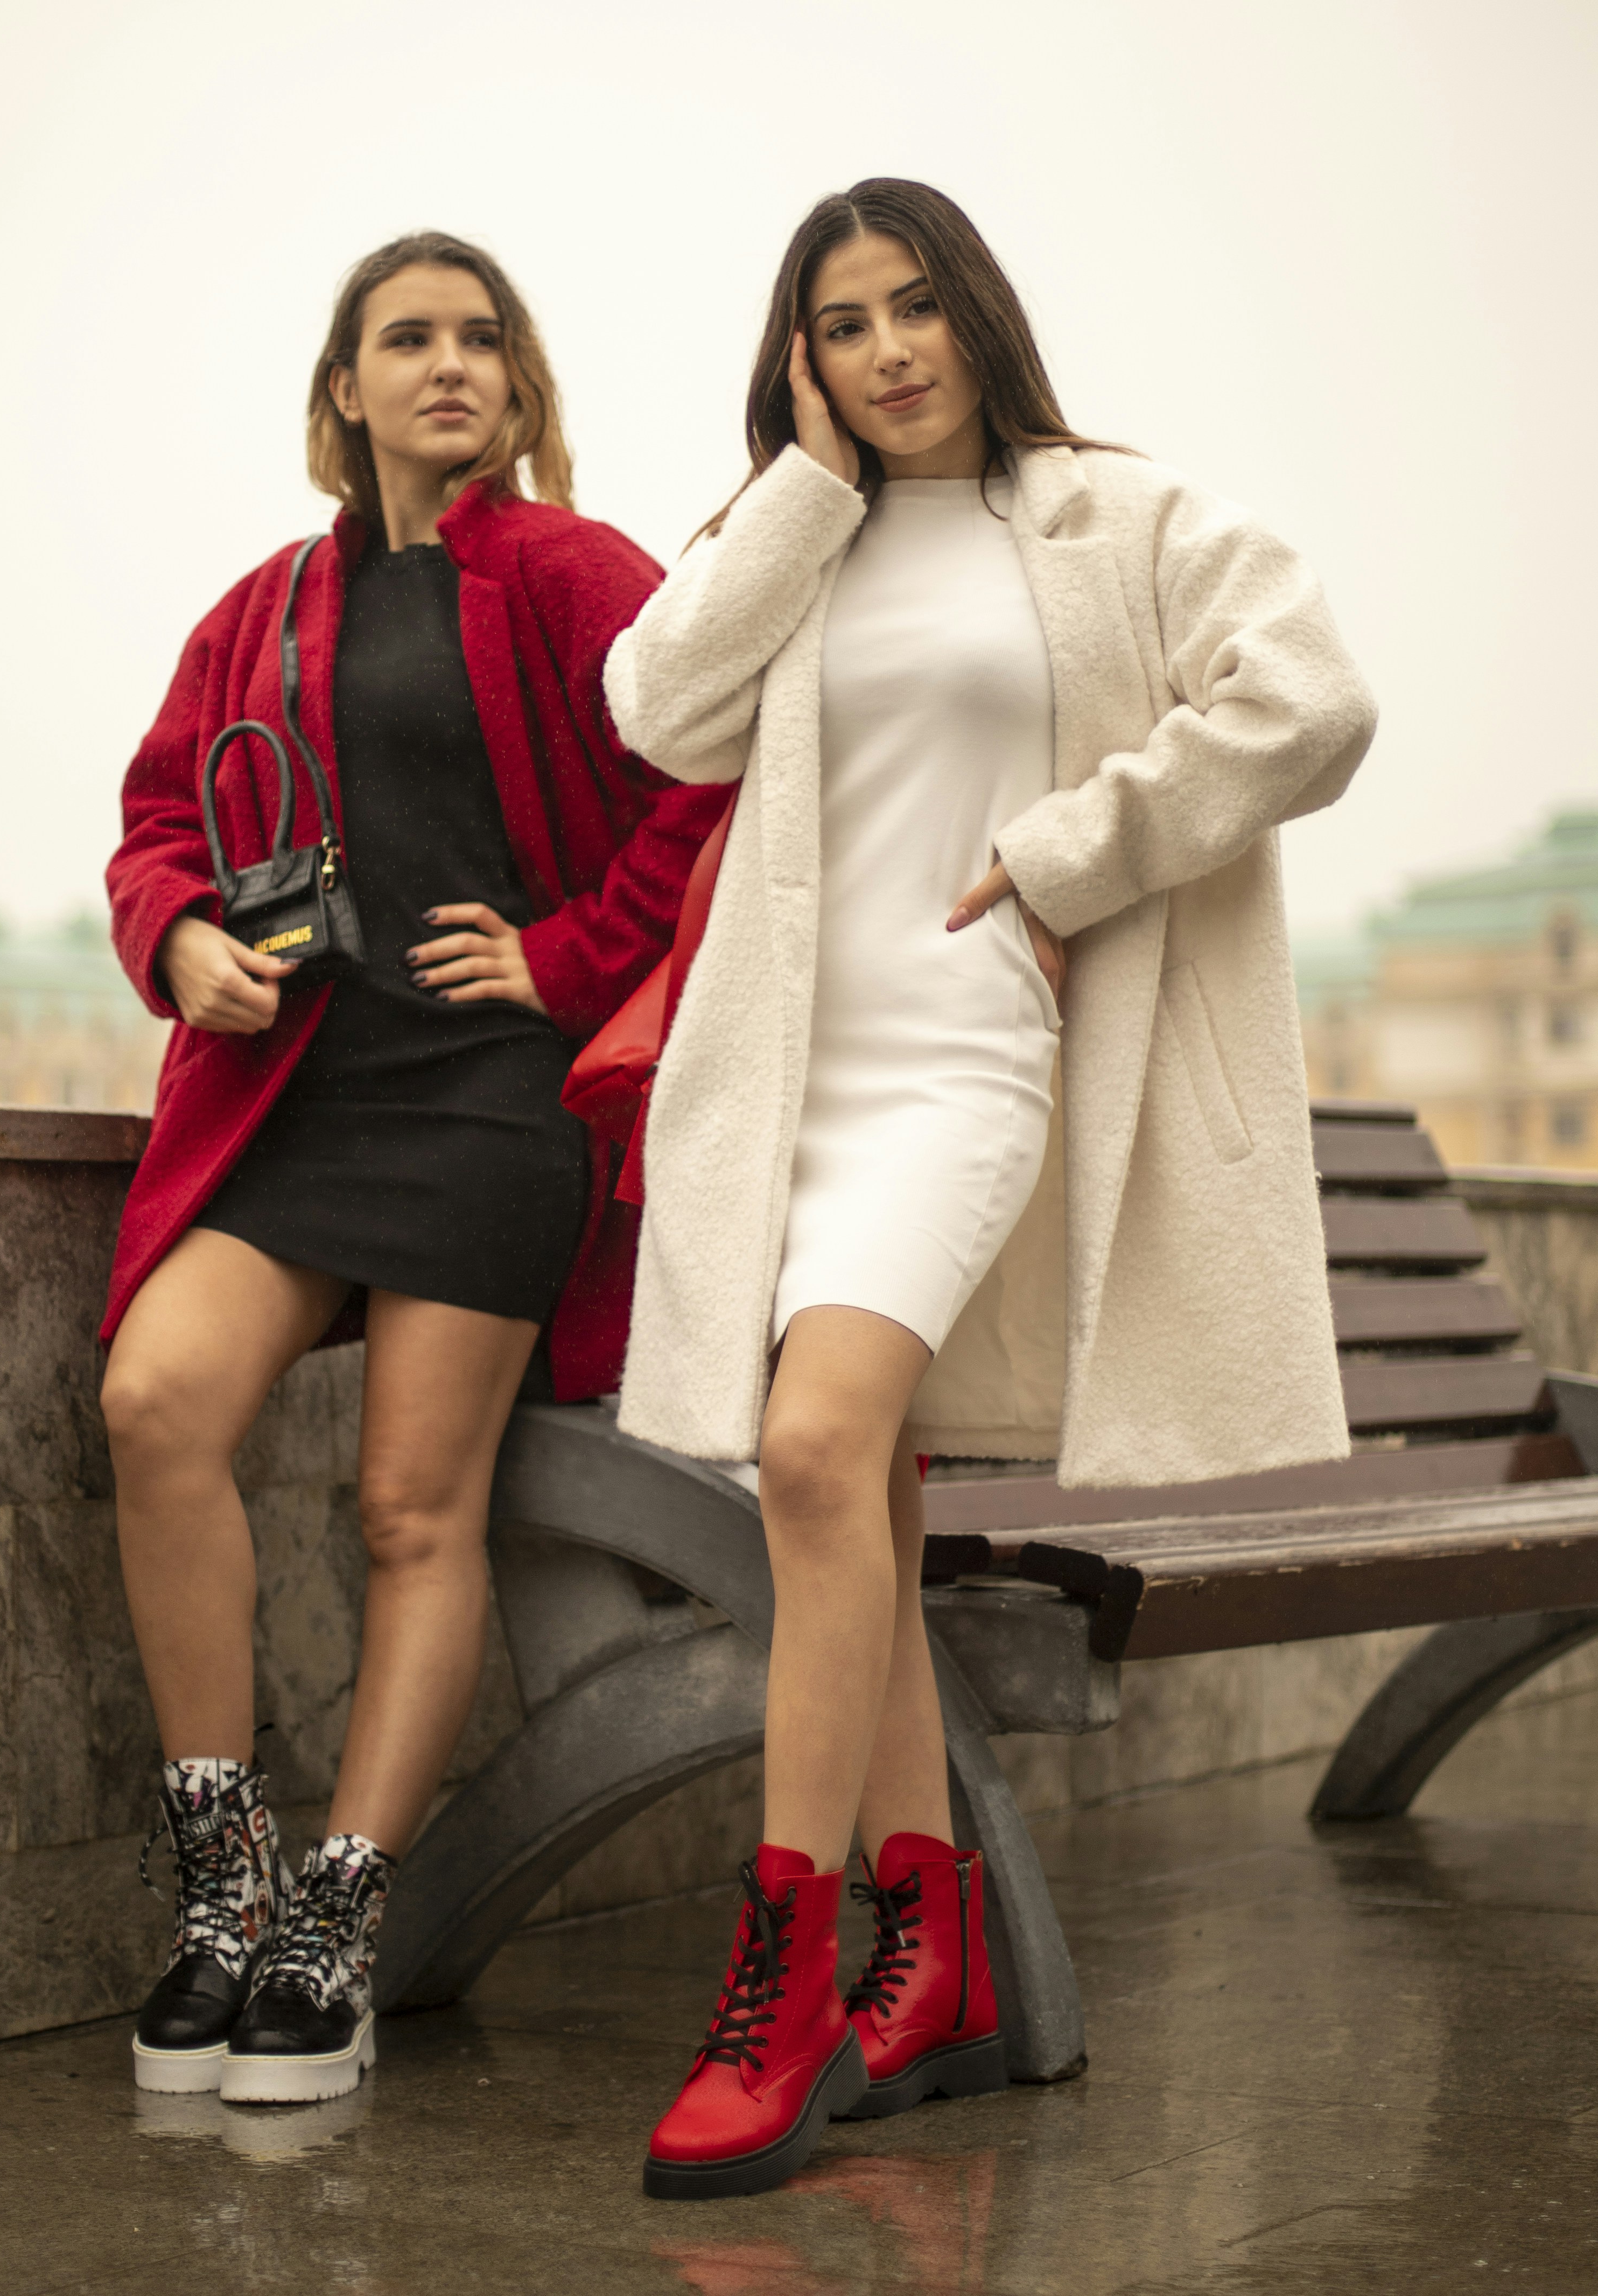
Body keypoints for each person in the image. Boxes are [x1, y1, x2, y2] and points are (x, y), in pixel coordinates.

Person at [605, 178, 1377, 2199]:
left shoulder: (1115, 520)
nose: (890, 349)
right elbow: (652, 712)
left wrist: (1069, 854)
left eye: (915, 304)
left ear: (978, 311)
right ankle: (926, 1953)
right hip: (793, 1081)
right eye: (842, 323)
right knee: (850, 1494)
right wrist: (796, 485)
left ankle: (774, 1976)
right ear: (806, 359)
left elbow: (1310, 703)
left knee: (807, 1451)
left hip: (967, 1059)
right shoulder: (799, 540)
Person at [101, 231, 723, 2106]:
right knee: (154, 1404)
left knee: (406, 1510)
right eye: (405, 340)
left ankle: (338, 1925)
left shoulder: (574, 567)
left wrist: (568, 952)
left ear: (518, 391)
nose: (447, 366)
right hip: (298, 1096)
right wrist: (181, 939)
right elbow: (154, 817)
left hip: (488, 1098)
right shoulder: (264, 605)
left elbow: (705, 777)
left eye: (481, 341)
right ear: (344, 393)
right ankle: (227, 1896)